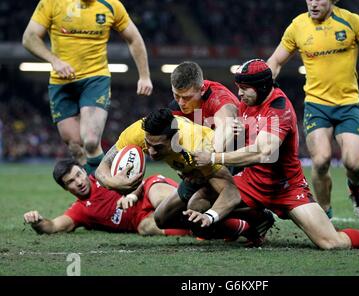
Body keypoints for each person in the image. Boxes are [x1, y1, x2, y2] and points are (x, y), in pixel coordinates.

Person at [193, 59, 359, 250]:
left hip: (286, 188)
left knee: (331, 243)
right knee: (198, 205)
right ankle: (255, 223)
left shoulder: (279, 108)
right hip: (252, 182)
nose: (239, 93)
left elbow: (262, 151)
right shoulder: (247, 102)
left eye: (244, 88)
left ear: (262, 87)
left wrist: (214, 158)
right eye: (238, 87)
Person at [266, 0, 359, 218]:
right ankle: (326, 215)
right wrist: (264, 82)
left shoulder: (351, 21)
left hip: (348, 106)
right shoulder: (298, 26)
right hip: (316, 106)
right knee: (320, 160)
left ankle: (355, 188)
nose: (313, 3)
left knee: (354, 164)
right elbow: (276, 61)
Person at [95, 109, 273, 245]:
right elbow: (102, 168)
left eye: (158, 147)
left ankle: (256, 217)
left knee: (198, 210)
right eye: (148, 144)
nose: (151, 152)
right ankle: (225, 225)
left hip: (222, 167)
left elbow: (230, 193)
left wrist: (210, 216)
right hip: (193, 173)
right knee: (161, 219)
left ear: (176, 138)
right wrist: (113, 182)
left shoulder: (195, 145)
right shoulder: (139, 132)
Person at [22, 0, 153, 174]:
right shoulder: (52, 3)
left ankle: (108, 190)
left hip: (95, 79)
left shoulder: (111, 5)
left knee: (91, 141)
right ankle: (94, 194)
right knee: (76, 144)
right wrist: (54, 61)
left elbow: (134, 38)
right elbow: (29, 37)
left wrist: (144, 76)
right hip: (61, 82)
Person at [23, 159, 189, 236]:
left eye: (79, 175)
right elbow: (52, 226)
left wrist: (132, 194)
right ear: (66, 189)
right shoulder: (80, 211)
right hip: (141, 219)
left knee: (161, 200)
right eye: (71, 182)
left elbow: (138, 179)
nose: (79, 182)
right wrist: (37, 222)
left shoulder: (104, 175)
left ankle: (202, 206)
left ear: (83, 170)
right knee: (146, 228)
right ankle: (199, 228)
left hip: (147, 190)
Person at [168, 61, 239, 153]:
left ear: (202, 90)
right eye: (177, 95)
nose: (181, 103)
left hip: (237, 150)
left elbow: (226, 130)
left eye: (187, 97)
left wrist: (205, 155)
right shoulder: (175, 107)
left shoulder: (219, 99)